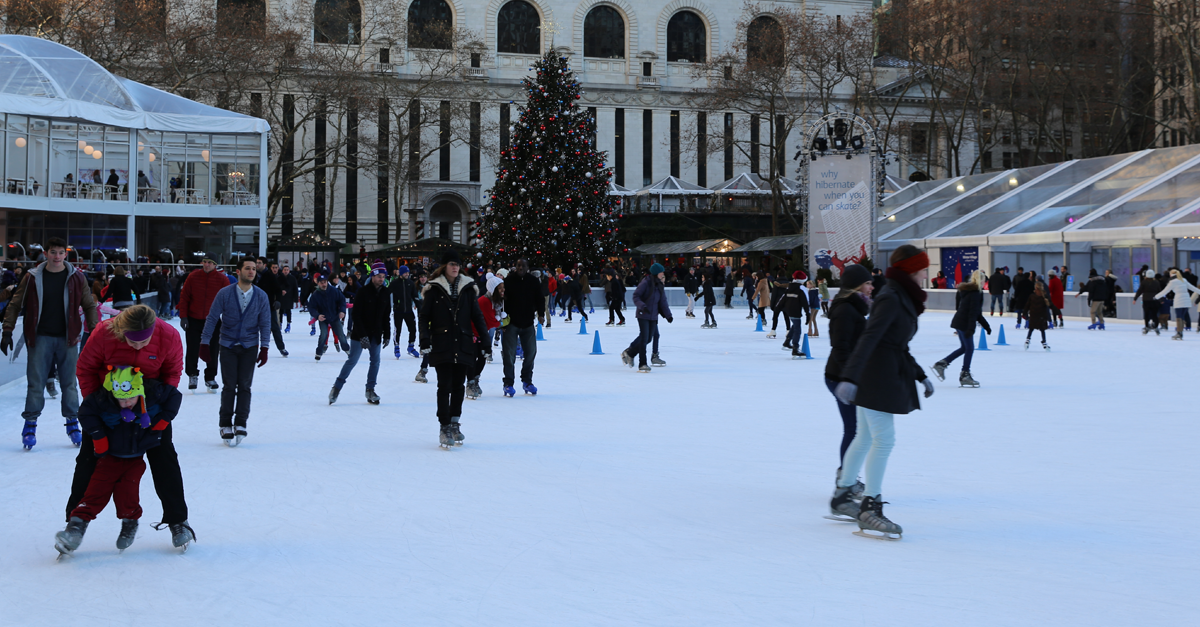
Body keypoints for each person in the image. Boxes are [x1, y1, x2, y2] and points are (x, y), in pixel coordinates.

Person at [71, 304, 193, 550]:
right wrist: (100, 406)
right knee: (89, 459)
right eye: (132, 341)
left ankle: (178, 520)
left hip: (149, 410)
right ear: (121, 331)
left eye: (144, 342)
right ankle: (74, 523)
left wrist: (158, 409)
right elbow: (85, 369)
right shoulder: (103, 333)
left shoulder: (168, 335)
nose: (138, 347)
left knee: (165, 460)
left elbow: (172, 373)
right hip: (108, 407)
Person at [833, 245, 934, 539]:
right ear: (911, 270)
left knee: (866, 437)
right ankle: (870, 507)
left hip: (883, 373)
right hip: (875, 377)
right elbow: (870, 337)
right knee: (884, 440)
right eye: (922, 269)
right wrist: (850, 377)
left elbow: (897, 343)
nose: (925, 275)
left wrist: (920, 374)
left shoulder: (900, 295)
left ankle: (843, 494)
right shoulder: (891, 296)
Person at [53, 365, 182, 558]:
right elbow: (85, 411)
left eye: (131, 398)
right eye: (121, 399)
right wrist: (98, 436)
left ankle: (129, 523)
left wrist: (163, 420)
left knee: (127, 496)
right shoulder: (105, 403)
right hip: (109, 459)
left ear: (139, 392)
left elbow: (174, 396)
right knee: (94, 493)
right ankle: (75, 529)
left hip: (135, 462)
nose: (126, 402)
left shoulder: (151, 401)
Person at [1, 237, 100, 449]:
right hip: (40, 338)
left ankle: (72, 422)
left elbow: (89, 305)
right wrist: (7, 330)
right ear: (45, 254)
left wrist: (95, 331)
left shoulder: (76, 277)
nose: (57, 256)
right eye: (53, 252)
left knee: (69, 384)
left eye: (61, 252)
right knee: (36, 383)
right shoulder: (32, 277)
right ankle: (30, 424)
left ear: (66, 254)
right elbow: (15, 304)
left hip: (68, 339)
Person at [419, 250, 489, 448]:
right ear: (444, 267)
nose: (455, 267)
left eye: (457, 264)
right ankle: (444, 426)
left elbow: (477, 316)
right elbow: (424, 317)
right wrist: (425, 338)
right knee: (444, 386)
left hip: (463, 342)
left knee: (459, 385)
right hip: (442, 342)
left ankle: (455, 422)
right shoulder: (434, 289)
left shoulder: (468, 289)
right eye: (451, 264)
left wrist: (485, 340)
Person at [199, 258, 272, 446]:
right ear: (238, 272)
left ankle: (241, 422)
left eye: (254, 269)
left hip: (249, 346)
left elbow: (265, 323)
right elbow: (212, 318)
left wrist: (264, 347)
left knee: (245, 386)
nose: (251, 271)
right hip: (228, 345)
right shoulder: (225, 294)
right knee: (229, 385)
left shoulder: (261, 296)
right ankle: (225, 423)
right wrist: (204, 343)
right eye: (247, 268)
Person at [824, 264, 872, 521]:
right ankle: (846, 479)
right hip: (840, 377)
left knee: (857, 430)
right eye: (868, 283)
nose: (872, 287)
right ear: (856, 286)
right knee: (855, 430)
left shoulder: (854, 307)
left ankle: (847, 476)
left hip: (848, 376)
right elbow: (840, 347)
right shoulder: (845, 310)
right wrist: (849, 379)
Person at [329, 263, 390, 405]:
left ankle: (370, 389)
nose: (381, 279)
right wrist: (362, 335)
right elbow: (356, 315)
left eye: (383, 276)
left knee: (375, 361)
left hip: (376, 334)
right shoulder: (363, 292)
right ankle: (337, 387)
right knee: (352, 360)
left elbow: (386, 316)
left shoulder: (386, 293)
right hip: (360, 333)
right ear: (372, 276)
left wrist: (387, 334)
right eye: (379, 276)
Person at [931, 270, 991, 388]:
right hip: (964, 323)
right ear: (980, 280)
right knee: (969, 348)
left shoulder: (969, 291)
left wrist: (986, 325)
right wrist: (971, 329)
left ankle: (942, 364)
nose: (984, 282)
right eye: (983, 279)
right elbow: (972, 313)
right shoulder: (976, 293)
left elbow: (976, 312)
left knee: (965, 348)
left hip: (959, 322)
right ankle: (965, 374)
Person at [176, 257, 228, 393]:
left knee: (213, 350)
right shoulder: (193, 277)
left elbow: (228, 300)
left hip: (213, 320)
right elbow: (184, 297)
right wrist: (183, 317)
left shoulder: (222, 279)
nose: (206, 264)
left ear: (215, 265)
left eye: (210, 262)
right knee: (192, 349)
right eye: (205, 262)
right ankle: (192, 374)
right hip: (193, 319)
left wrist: (228, 320)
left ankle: (210, 377)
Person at [501, 258, 545, 397]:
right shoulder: (508, 281)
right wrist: (502, 321)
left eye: (523, 266)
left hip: (528, 323)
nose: (521, 268)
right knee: (509, 354)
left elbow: (540, 298)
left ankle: (527, 381)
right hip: (511, 323)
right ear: (515, 266)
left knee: (531, 352)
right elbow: (502, 301)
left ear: (527, 268)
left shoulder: (533, 281)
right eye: (519, 265)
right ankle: (508, 383)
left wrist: (541, 314)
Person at [620, 262, 672, 373]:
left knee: (649, 339)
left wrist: (668, 315)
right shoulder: (646, 282)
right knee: (644, 338)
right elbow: (636, 296)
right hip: (643, 314)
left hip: (653, 316)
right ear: (656, 273)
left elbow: (663, 301)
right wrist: (642, 306)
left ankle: (630, 353)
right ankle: (642, 364)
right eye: (661, 272)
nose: (663, 274)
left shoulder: (659, 285)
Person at [467, 275, 505, 400]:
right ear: (493, 290)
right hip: (473, 332)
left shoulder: (495, 302)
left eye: (503, 287)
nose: (503, 290)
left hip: (482, 333)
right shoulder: (485, 301)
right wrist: (501, 323)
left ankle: (475, 379)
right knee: (473, 358)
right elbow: (489, 321)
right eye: (500, 288)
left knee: (483, 356)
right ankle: (470, 383)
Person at [309, 273, 348, 359]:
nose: (324, 284)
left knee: (341, 335)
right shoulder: (316, 294)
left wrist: (342, 311)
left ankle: (347, 350)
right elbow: (311, 307)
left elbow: (342, 300)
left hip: (334, 317)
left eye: (325, 282)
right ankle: (319, 352)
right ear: (318, 283)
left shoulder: (334, 291)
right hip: (323, 318)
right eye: (321, 283)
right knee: (324, 334)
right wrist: (317, 315)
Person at [254, 257, 288, 357]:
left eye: (259, 263)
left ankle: (281, 348)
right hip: (254, 306)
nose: (257, 264)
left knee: (274, 327)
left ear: (264, 264)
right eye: (256, 262)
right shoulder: (254, 275)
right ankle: (250, 348)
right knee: (251, 327)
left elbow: (278, 290)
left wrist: (277, 301)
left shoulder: (270, 276)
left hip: (268, 306)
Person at [1155, 269, 1200, 340]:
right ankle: (1180, 332)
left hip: (1179, 300)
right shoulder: (1183, 280)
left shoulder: (1172, 282)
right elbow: (1193, 288)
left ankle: (1179, 333)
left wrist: (1156, 297)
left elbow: (1165, 291)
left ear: (1171, 275)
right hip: (1186, 300)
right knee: (1182, 317)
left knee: (1179, 317)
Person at [389, 265, 419, 359]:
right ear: (401, 273)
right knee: (397, 330)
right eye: (405, 273)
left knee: (413, 329)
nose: (407, 274)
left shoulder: (410, 283)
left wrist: (419, 305)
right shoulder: (394, 283)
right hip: (398, 310)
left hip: (409, 310)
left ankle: (411, 346)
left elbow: (415, 296)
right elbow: (387, 293)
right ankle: (396, 347)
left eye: (408, 272)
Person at [780, 271, 809, 357]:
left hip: (789, 310)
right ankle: (795, 349)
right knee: (797, 329)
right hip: (796, 310)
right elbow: (805, 301)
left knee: (795, 325)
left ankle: (787, 341)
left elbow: (783, 298)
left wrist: (777, 308)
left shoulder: (789, 287)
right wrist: (808, 313)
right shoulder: (801, 288)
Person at [1133, 268, 1162, 335]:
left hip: (1146, 300)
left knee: (1146, 314)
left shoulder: (1144, 282)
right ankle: (1156, 326)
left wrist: (1135, 298)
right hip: (1155, 300)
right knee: (1155, 314)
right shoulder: (1156, 282)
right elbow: (1159, 291)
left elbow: (1139, 291)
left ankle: (1146, 326)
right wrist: (1161, 299)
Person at [1023, 282, 1052, 350]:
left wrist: (1024, 313)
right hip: (1041, 316)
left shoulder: (1032, 296)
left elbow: (1027, 305)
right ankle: (1044, 342)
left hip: (1033, 315)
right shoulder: (1044, 296)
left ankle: (1027, 340)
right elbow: (1048, 307)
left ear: (1036, 288)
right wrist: (1049, 318)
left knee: (1031, 328)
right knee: (1042, 330)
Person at [767, 273, 790, 339]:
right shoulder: (788, 284)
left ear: (778, 275)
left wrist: (772, 304)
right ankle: (788, 330)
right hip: (786, 301)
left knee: (775, 317)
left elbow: (774, 294)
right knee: (786, 317)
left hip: (778, 302)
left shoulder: (776, 283)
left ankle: (773, 330)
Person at [279, 264, 298, 333]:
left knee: (288, 311)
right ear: (282, 271)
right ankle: (280, 324)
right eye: (285, 270)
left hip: (289, 297)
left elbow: (295, 288)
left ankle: (288, 324)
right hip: (280, 297)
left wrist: (296, 299)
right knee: (280, 311)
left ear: (289, 271)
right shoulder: (279, 278)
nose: (286, 271)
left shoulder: (292, 278)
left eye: (287, 270)